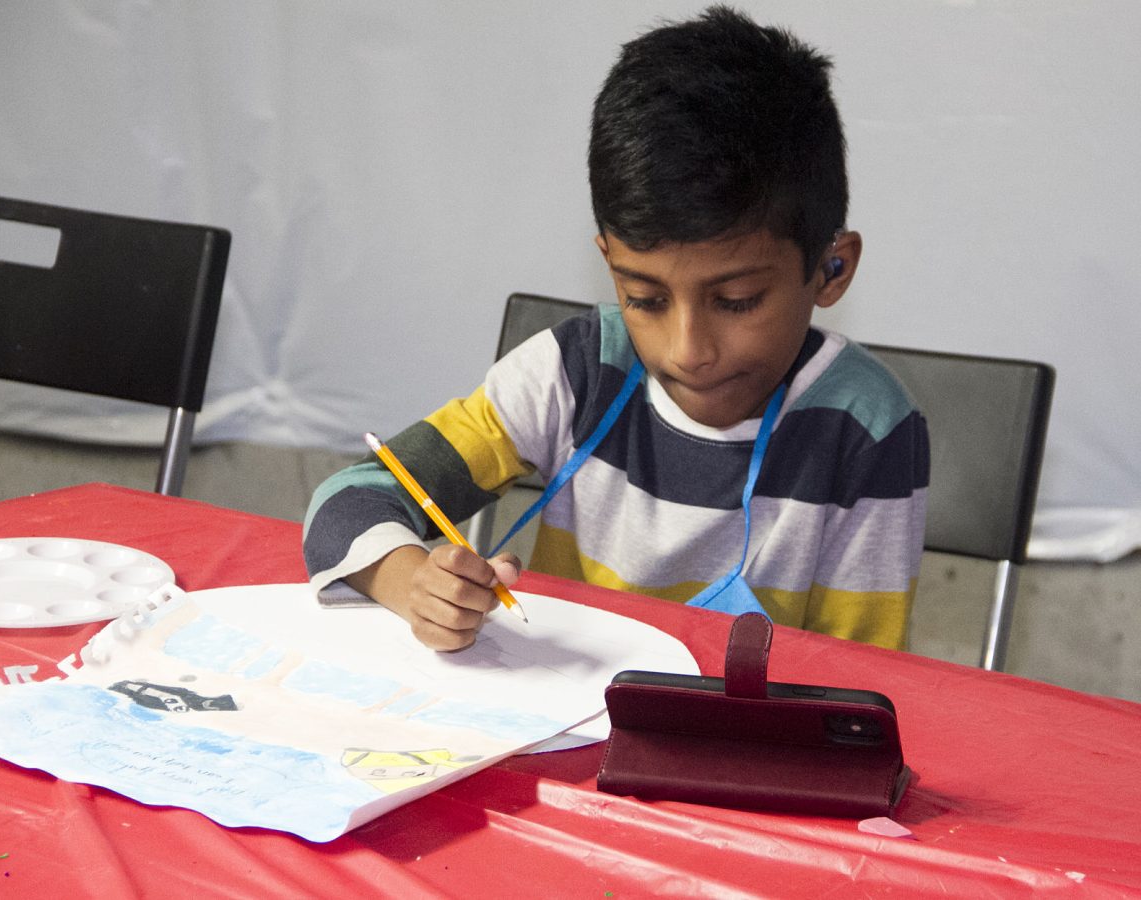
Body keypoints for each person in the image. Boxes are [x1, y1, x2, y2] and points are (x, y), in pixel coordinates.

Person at [303, 5, 929, 653]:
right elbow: (347, 500)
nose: (688, 351)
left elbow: (855, 677)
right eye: (645, 298)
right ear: (609, 262)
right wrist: (416, 587)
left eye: (737, 301)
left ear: (831, 268)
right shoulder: (575, 373)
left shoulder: (865, 429)